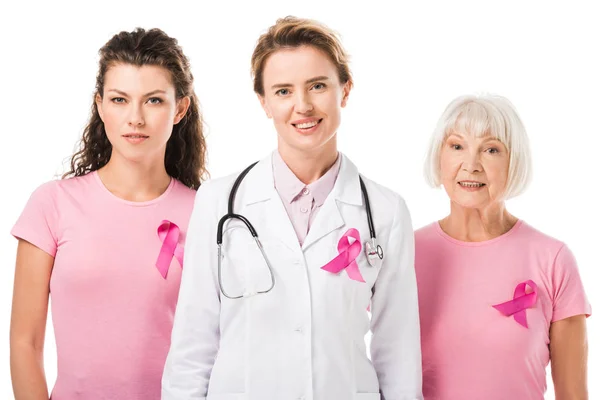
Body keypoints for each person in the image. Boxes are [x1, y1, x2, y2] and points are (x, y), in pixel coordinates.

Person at [162, 16, 422, 400]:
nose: (303, 106)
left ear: (345, 90)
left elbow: (398, 355)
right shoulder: (218, 202)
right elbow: (193, 345)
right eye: (283, 91)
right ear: (264, 102)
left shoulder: (385, 211)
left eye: (317, 86)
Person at [10, 28, 207, 400]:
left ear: (180, 108)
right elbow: (25, 342)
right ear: (100, 105)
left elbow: (216, 344)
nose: (135, 118)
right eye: (119, 100)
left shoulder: (205, 213)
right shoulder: (52, 204)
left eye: (153, 101)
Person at [415, 94, 592, 399]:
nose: (470, 165)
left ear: (514, 161)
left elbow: (573, 395)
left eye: (491, 149)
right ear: (439, 156)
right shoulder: (405, 254)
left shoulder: (552, 259)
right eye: (457, 146)